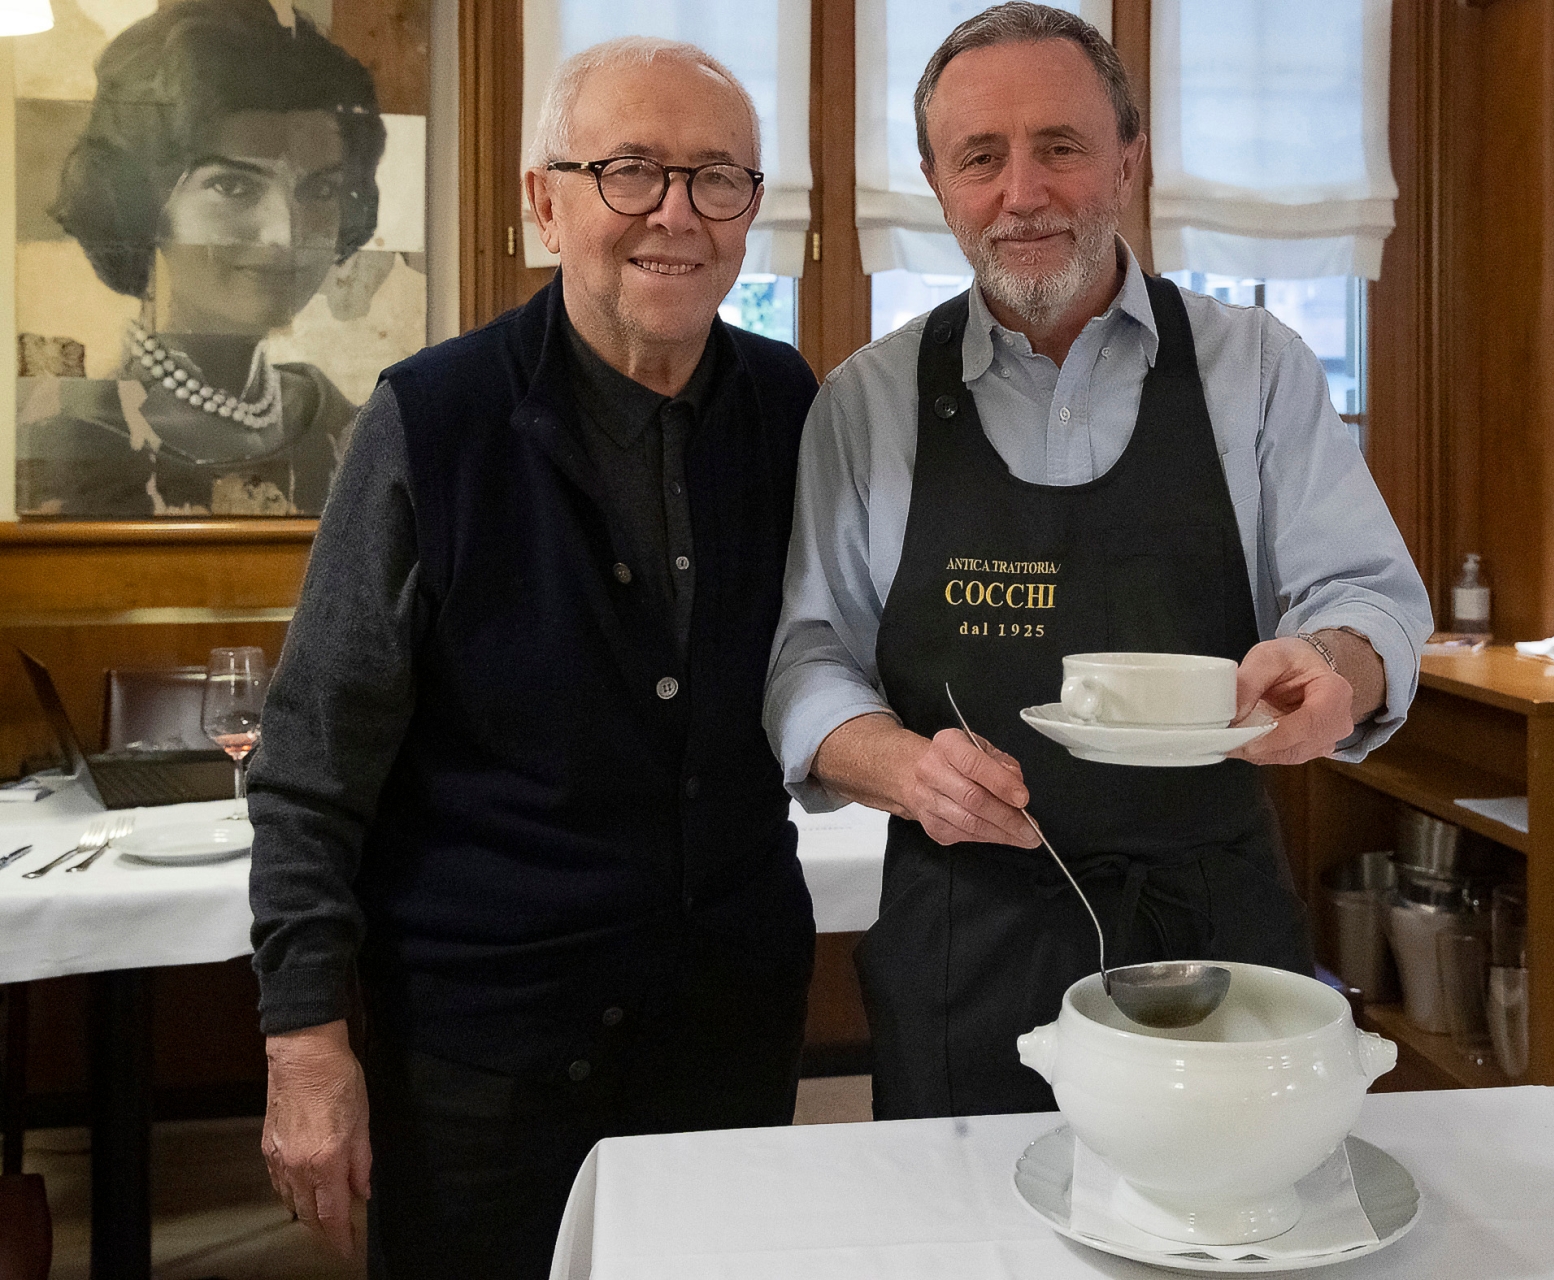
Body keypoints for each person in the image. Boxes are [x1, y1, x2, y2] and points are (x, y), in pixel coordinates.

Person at [765, 2, 1432, 1121]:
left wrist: (1333, 667)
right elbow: (809, 656)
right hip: (967, 937)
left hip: (1214, 930)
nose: (1023, 192)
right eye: (981, 157)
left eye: (1061, 146)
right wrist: (903, 768)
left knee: (1235, 1196)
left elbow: (1364, 595)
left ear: (1129, 159)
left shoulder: (1256, 368)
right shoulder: (866, 403)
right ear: (937, 185)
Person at [247, 38, 819, 1278]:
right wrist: (305, 1037)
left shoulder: (791, 407)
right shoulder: (432, 420)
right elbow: (310, 759)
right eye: (630, 170)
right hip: (483, 1057)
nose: (677, 213)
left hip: (726, 1028)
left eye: (717, 176)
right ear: (544, 202)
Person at [17, 0, 386, 517]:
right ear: (144, 205)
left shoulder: (350, 428)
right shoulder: (69, 438)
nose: (284, 235)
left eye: (320, 190)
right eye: (233, 187)